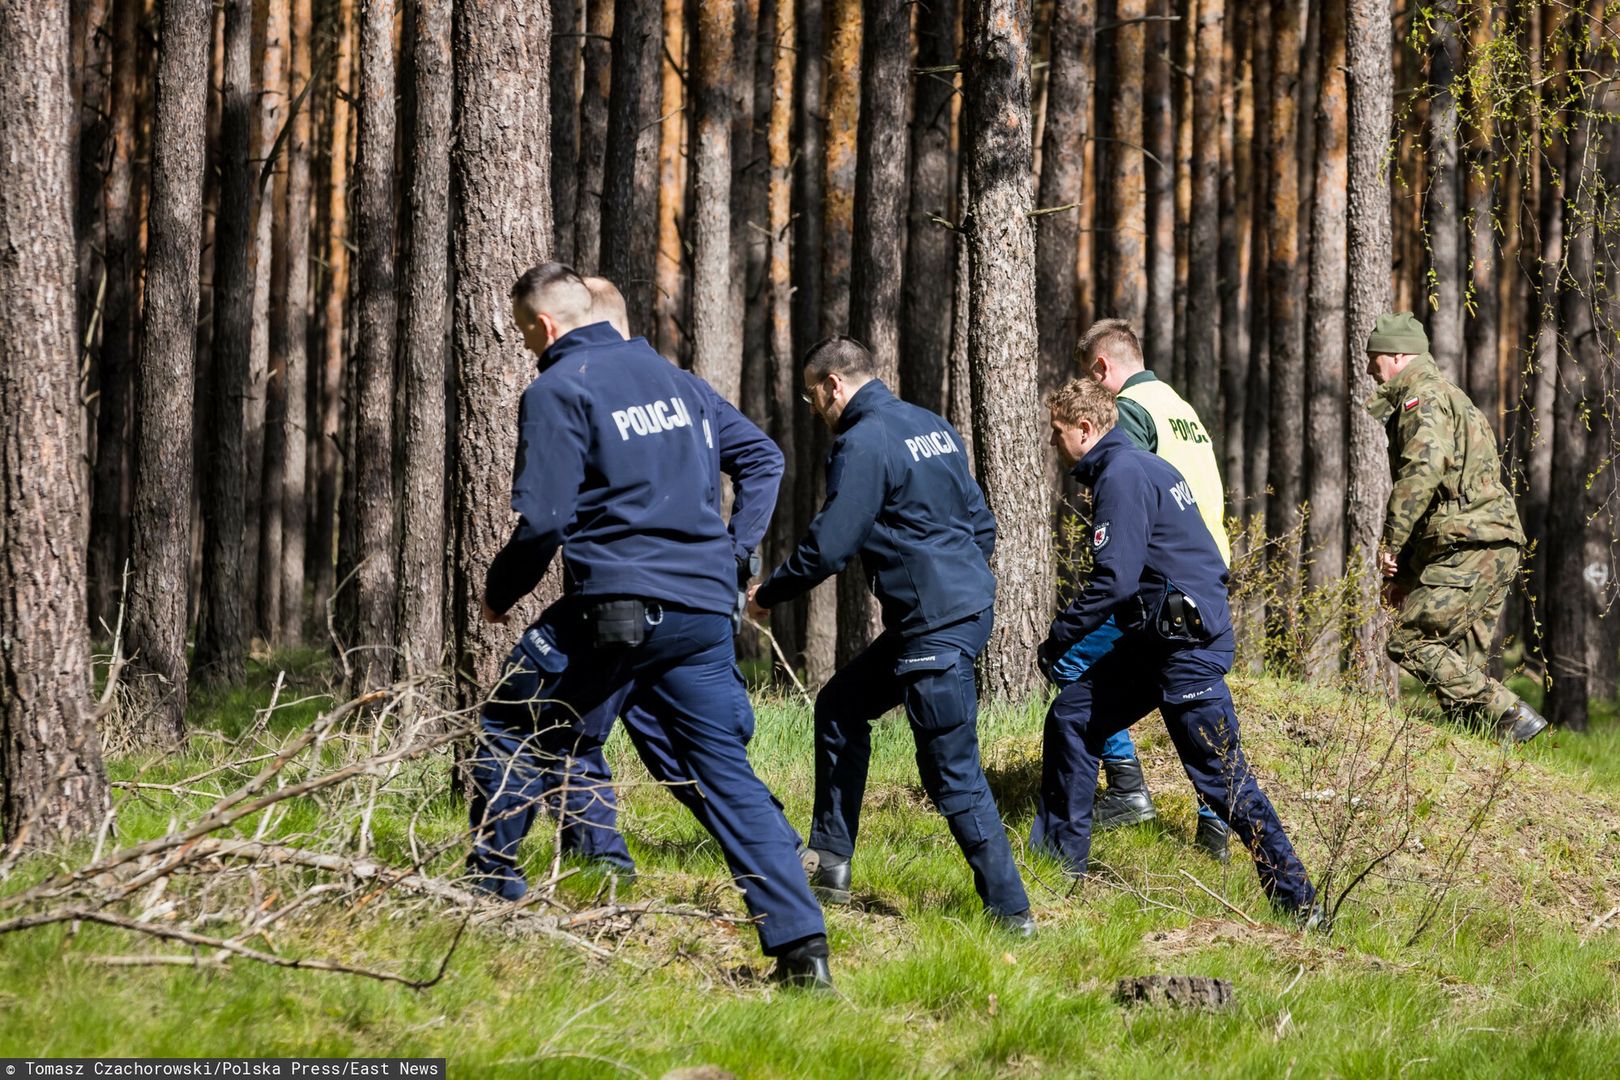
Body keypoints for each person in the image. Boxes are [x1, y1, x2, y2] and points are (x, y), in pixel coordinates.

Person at [466, 262, 832, 988]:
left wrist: (501, 591)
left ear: (542, 326)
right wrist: (730, 557)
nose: (525, 345)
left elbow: (541, 521)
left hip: (618, 609)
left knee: (512, 719)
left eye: (521, 333)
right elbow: (755, 457)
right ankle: (803, 950)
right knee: (722, 771)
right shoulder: (677, 381)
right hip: (701, 613)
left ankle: (488, 889)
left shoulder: (557, 388)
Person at [746, 336, 1035, 935]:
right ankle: (829, 860)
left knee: (949, 771)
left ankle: (1012, 913)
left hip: (934, 622)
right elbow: (982, 523)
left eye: (811, 398)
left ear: (833, 386)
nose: (815, 411)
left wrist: (769, 594)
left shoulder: (864, 439)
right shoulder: (930, 424)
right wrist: (955, 584)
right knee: (840, 706)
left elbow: (831, 543)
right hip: (952, 611)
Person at [1030, 378, 1321, 925]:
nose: (1054, 443)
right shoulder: (1146, 467)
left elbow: (1114, 580)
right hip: (1158, 640)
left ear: (1086, 430)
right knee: (1072, 717)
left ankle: (1299, 904)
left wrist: (1061, 635)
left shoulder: (1122, 474)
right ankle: (1056, 869)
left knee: (1222, 779)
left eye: (1058, 432)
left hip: (1184, 649)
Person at [1057, 319, 1231, 862]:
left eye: (1091, 377)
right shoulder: (1178, 405)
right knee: (1194, 698)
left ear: (1102, 369)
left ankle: (1128, 790)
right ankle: (1216, 821)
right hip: (1206, 567)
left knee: (1071, 662)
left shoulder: (1129, 412)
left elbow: (1122, 487)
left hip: (1162, 579)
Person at [1365, 312, 1547, 742]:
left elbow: (1424, 471)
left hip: (1470, 543)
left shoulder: (1422, 397)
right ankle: (1485, 758)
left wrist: (1390, 542)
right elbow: (1440, 499)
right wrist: (1405, 578)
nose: (1370, 369)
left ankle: (1509, 712)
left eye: (1374, 358)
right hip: (1489, 541)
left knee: (1411, 641)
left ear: (1396, 354)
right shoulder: (1448, 396)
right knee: (1457, 662)